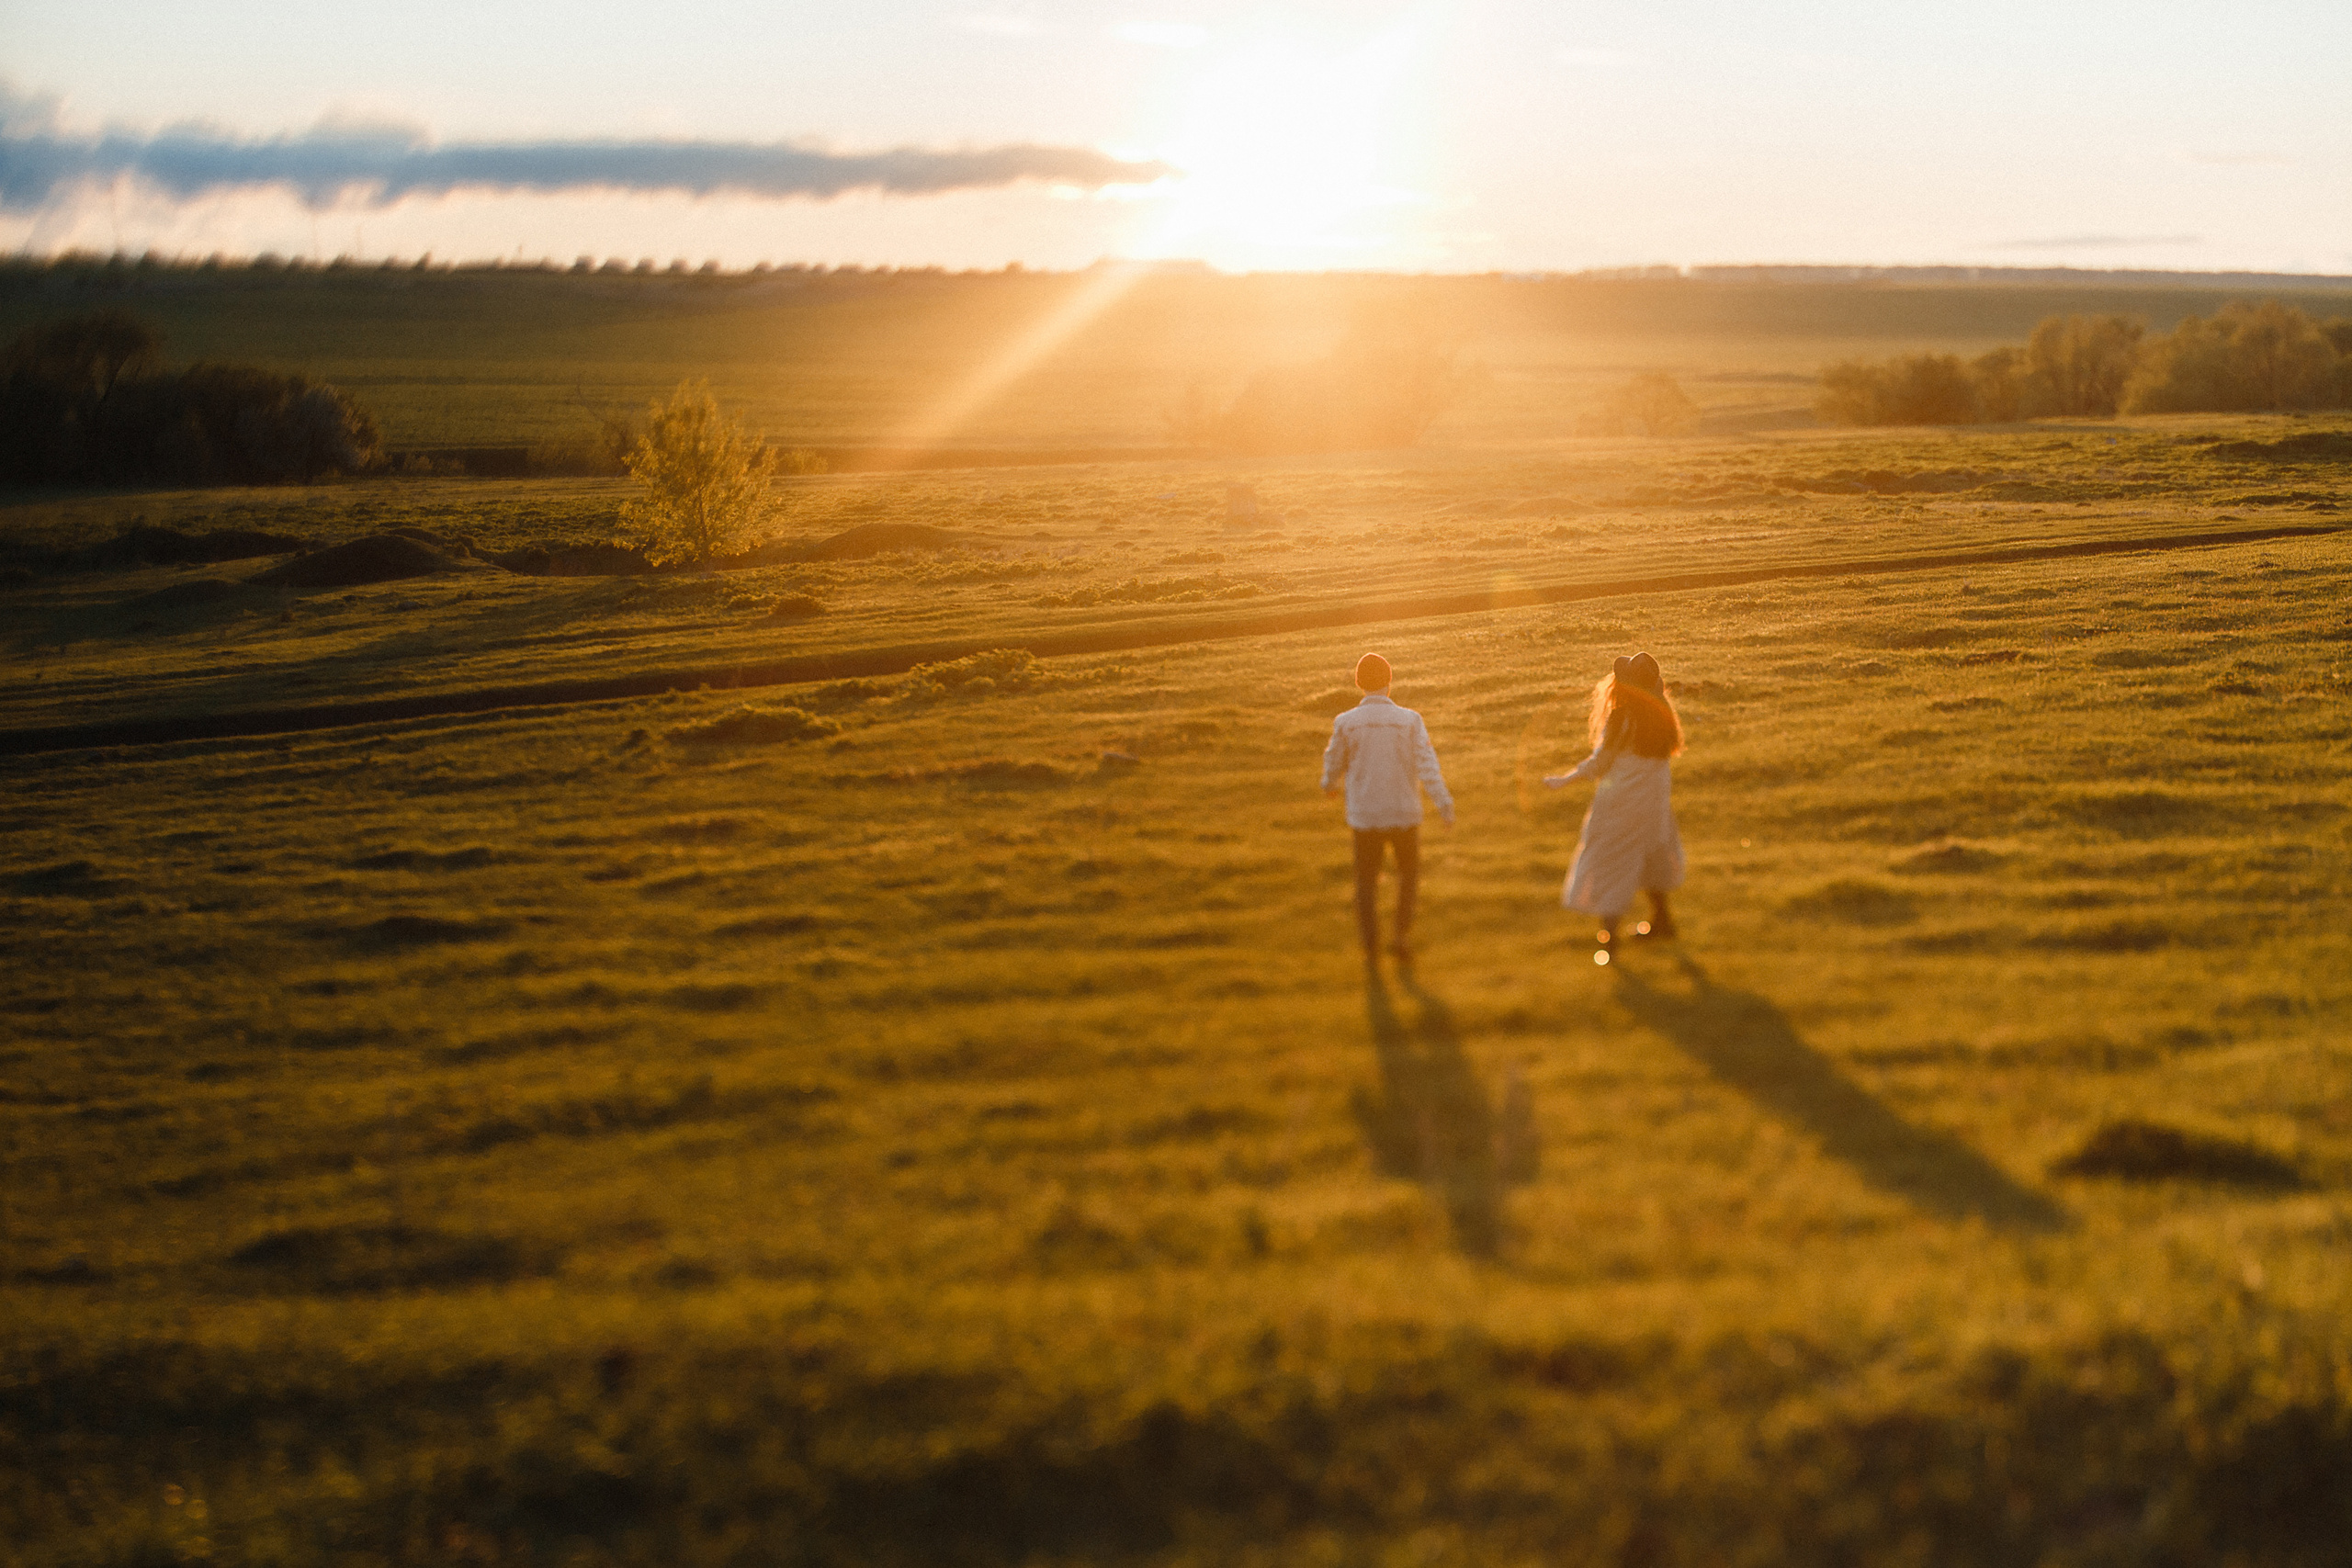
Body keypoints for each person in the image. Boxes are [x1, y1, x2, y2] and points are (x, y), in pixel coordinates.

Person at [1544, 651, 1685, 964]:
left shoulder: (1621, 717)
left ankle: (1609, 941)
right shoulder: (1662, 712)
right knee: (1652, 856)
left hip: (1621, 802)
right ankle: (1663, 923)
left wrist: (1564, 780)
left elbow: (1600, 764)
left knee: (1610, 862)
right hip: (1654, 802)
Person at [1322, 652, 1453, 968]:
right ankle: (1400, 936)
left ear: (1358, 683)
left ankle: (1370, 947)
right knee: (1408, 875)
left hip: (1365, 814)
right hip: (1403, 812)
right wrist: (1443, 803)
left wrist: (1329, 784)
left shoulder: (1345, 722)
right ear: (1390, 681)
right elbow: (1427, 764)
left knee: (1365, 881)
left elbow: (1334, 759)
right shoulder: (1410, 720)